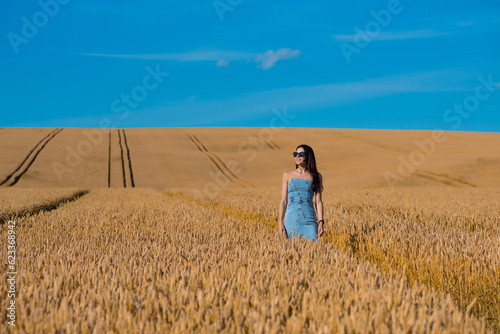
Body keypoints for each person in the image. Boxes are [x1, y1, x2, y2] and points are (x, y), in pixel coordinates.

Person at [278, 144, 324, 241]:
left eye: (301, 154)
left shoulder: (316, 176)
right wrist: (280, 223)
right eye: (295, 154)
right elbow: (283, 201)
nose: (297, 156)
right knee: (292, 249)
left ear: (308, 156)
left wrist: (321, 222)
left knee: (314, 250)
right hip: (291, 218)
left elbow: (318, 202)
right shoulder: (287, 175)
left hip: (309, 218)